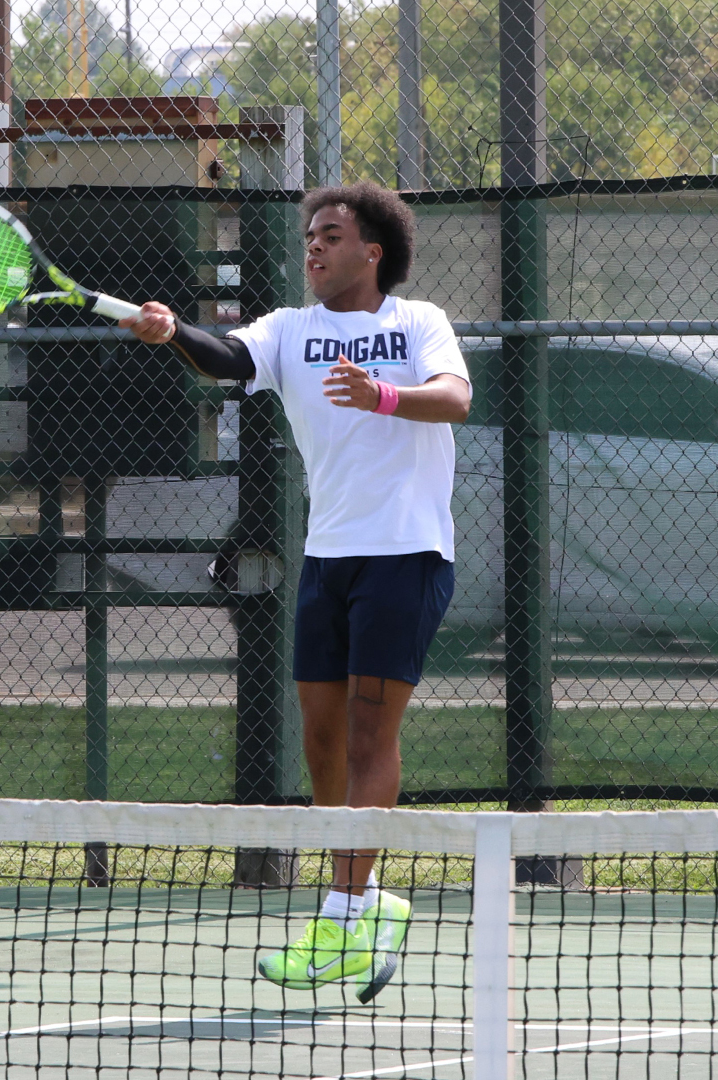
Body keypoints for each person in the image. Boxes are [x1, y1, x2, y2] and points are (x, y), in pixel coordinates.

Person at [122, 181, 471, 997]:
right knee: (318, 738)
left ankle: (344, 914)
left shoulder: (416, 323)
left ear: (372, 251)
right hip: (329, 557)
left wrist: (383, 393)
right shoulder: (290, 331)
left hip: (407, 554)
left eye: (332, 235)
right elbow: (227, 357)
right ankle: (368, 898)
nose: (313, 246)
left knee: (365, 740)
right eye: (309, 235)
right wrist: (175, 331)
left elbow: (455, 399)